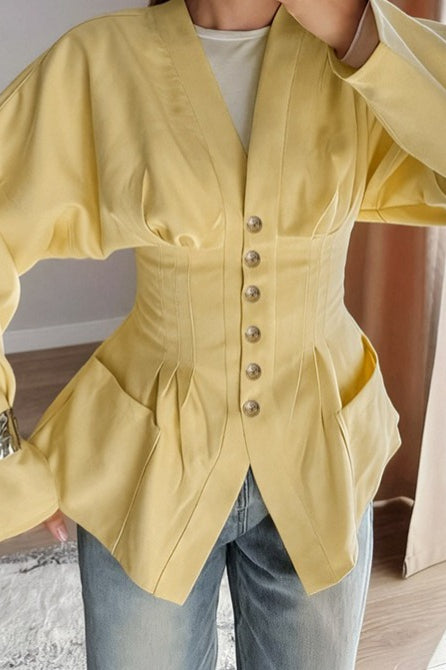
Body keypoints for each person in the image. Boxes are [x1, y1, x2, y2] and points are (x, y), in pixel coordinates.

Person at [0, 0, 444, 667]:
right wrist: (6, 458)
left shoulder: (364, 49)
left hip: (321, 461)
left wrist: (356, 32)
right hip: (147, 470)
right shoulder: (100, 61)